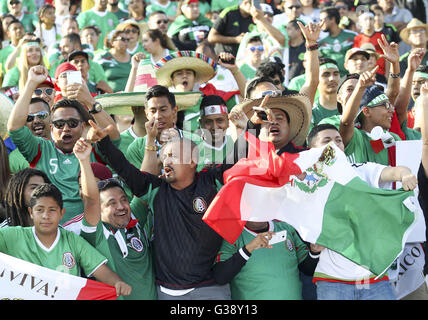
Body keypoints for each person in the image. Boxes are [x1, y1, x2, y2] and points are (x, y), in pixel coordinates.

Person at [86, 122, 233, 300]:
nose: (166, 161)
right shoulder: (155, 188)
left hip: (210, 288)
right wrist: (103, 142)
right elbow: (124, 168)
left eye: (173, 156)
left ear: (193, 161)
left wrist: (251, 126)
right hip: (167, 292)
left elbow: (240, 156)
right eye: (164, 157)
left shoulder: (211, 181)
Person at [308, 123, 416, 300]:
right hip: (332, 280)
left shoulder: (362, 170)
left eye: (339, 140)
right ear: (311, 149)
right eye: (327, 141)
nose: (335, 144)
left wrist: (405, 175)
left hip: (373, 277)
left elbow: (395, 171)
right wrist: (314, 245)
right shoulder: (307, 184)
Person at [7, 65, 120, 222]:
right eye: (60, 124)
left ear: (82, 126)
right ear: (52, 128)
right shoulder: (40, 148)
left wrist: (90, 101)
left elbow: (114, 136)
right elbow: (14, 127)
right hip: (52, 230)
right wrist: (31, 84)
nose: (66, 128)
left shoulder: (92, 147)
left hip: (92, 229)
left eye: (73, 123)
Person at [62, 137, 157, 300]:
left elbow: (145, 181)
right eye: (111, 203)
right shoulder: (95, 233)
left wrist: (150, 138)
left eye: (123, 199)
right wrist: (84, 161)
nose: (121, 206)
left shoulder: (133, 215)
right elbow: (91, 201)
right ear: (98, 209)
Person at [0, 182, 132, 297]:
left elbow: (101, 270)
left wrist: (117, 283)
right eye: (40, 210)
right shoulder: (12, 236)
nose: (46, 216)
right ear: (31, 212)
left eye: (52, 210)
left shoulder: (72, 241)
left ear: (62, 213)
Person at [213, 219, 322, 299]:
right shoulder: (233, 235)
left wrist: (314, 252)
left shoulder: (286, 228)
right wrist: (249, 248)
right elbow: (221, 276)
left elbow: (308, 269)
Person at [318, 6, 356, 77]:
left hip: (350, 78)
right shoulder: (321, 42)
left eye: (322, 20)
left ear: (332, 19)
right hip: (330, 80)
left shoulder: (352, 36)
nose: (320, 23)